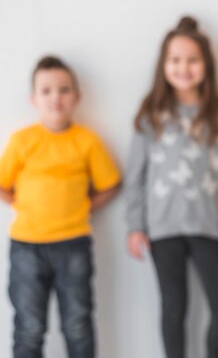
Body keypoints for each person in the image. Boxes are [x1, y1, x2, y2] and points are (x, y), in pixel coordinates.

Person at [124, 16, 218, 358]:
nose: (184, 67)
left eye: (192, 59)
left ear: (206, 64)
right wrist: (135, 225)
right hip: (163, 228)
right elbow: (136, 175)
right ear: (163, 65)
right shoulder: (151, 115)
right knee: (173, 307)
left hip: (210, 226)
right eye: (175, 60)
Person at [0, 56, 121, 358]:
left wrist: (85, 205)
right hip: (27, 246)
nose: (56, 97)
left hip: (73, 244)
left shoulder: (86, 141)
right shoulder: (23, 141)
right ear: (34, 99)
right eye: (47, 90)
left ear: (77, 97)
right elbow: (3, 183)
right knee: (29, 327)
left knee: (78, 323)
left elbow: (111, 183)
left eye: (64, 89)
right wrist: (18, 202)